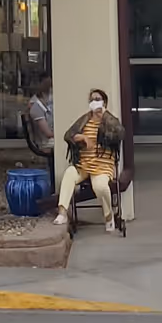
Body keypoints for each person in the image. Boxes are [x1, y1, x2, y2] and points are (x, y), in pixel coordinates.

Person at [53, 86, 124, 233]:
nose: (94, 102)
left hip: (102, 167)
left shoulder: (110, 120)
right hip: (83, 165)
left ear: (104, 102)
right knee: (68, 175)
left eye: (97, 99)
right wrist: (81, 137)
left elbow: (119, 133)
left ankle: (109, 216)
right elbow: (68, 135)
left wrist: (104, 116)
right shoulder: (84, 119)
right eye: (91, 100)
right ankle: (62, 213)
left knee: (100, 187)